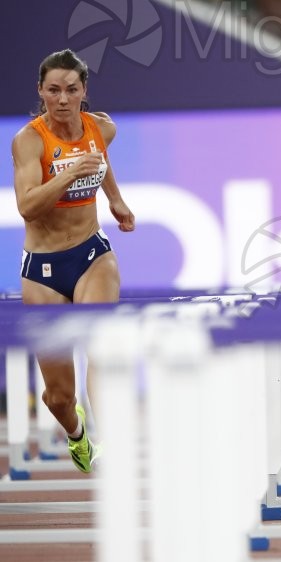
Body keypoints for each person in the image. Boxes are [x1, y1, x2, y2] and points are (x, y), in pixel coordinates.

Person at [11, 49, 135, 473]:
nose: (62, 99)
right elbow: (27, 207)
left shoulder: (102, 128)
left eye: (71, 89)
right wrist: (66, 172)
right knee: (59, 397)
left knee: (100, 345)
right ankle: (77, 434)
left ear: (84, 91)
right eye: (53, 90)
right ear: (41, 92)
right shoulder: (29, 141)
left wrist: (115, 200)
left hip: (91, 254)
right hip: (44, 271)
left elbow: (100, 158)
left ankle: (113, 439)